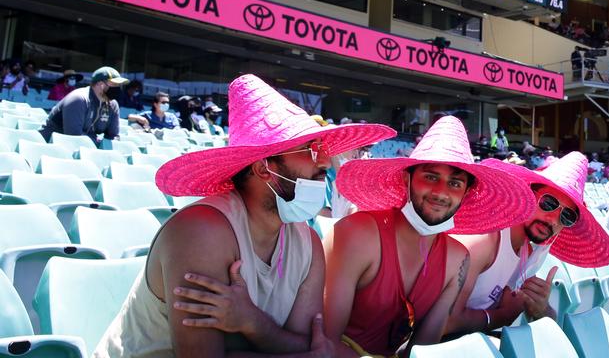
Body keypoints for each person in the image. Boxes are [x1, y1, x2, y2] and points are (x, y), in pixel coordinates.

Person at [92, 74, 394, 357]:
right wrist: (285, 345)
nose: (326, 162)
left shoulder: (309, 243)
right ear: (264, 168)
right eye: (310, 149)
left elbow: (308, 343)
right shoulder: (201, 232)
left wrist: (252, 322)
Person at [325, 116, 535, 357]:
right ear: (407, 179)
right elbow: (324, 342)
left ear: (466, 194)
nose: (441, 192)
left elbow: (423, 350)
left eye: (455, 183)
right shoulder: (358, 234)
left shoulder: (457, 259)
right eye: (431, 177)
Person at [448, 152, 609, 335]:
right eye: (548, 203)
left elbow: (548, 321)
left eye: (567, 216)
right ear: (527, 194)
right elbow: (444, 322)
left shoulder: (531, 252)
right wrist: (503, 316)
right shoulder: (484, 241)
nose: (553, 219)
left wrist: (541, 309)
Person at [39, 66, 128, 147]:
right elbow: (73, 137)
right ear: (100, 84)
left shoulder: (112, 105)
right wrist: (98, 142)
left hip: (81, 150)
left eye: (119, 85)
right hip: (49, 146)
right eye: (114, 84)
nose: (117, 88)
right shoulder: (78, 99)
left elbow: (113, 137)